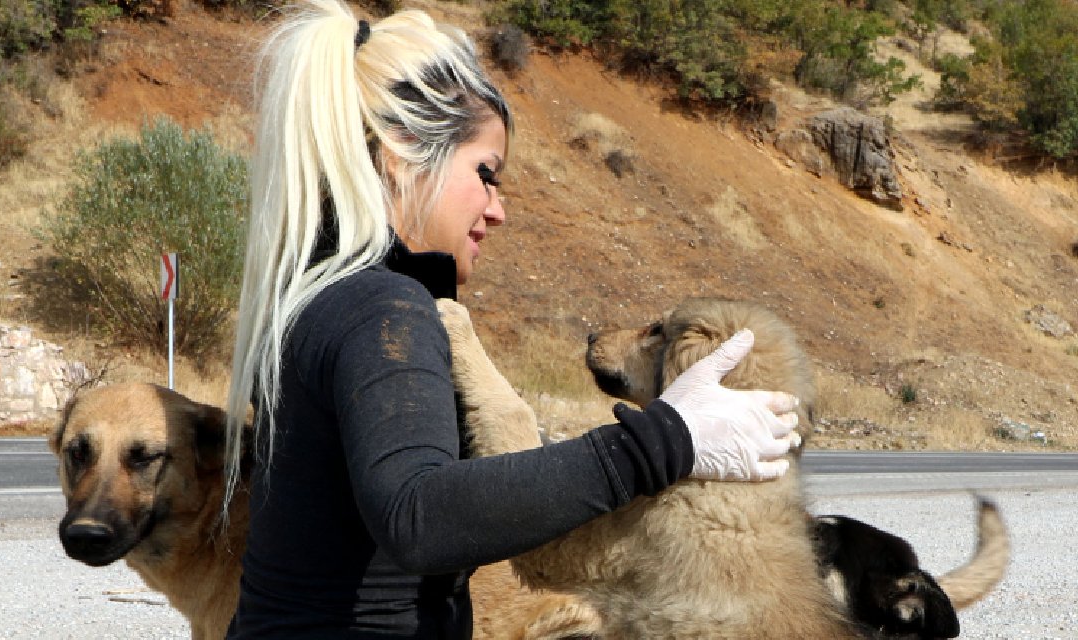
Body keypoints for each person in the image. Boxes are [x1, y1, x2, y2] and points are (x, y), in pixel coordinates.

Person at [222, 1, 799, 637]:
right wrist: (665, 442)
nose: (499, 211)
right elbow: (420, 515)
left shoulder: (315, 299)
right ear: (403, 150)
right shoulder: (382, 309)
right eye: (485, 174)